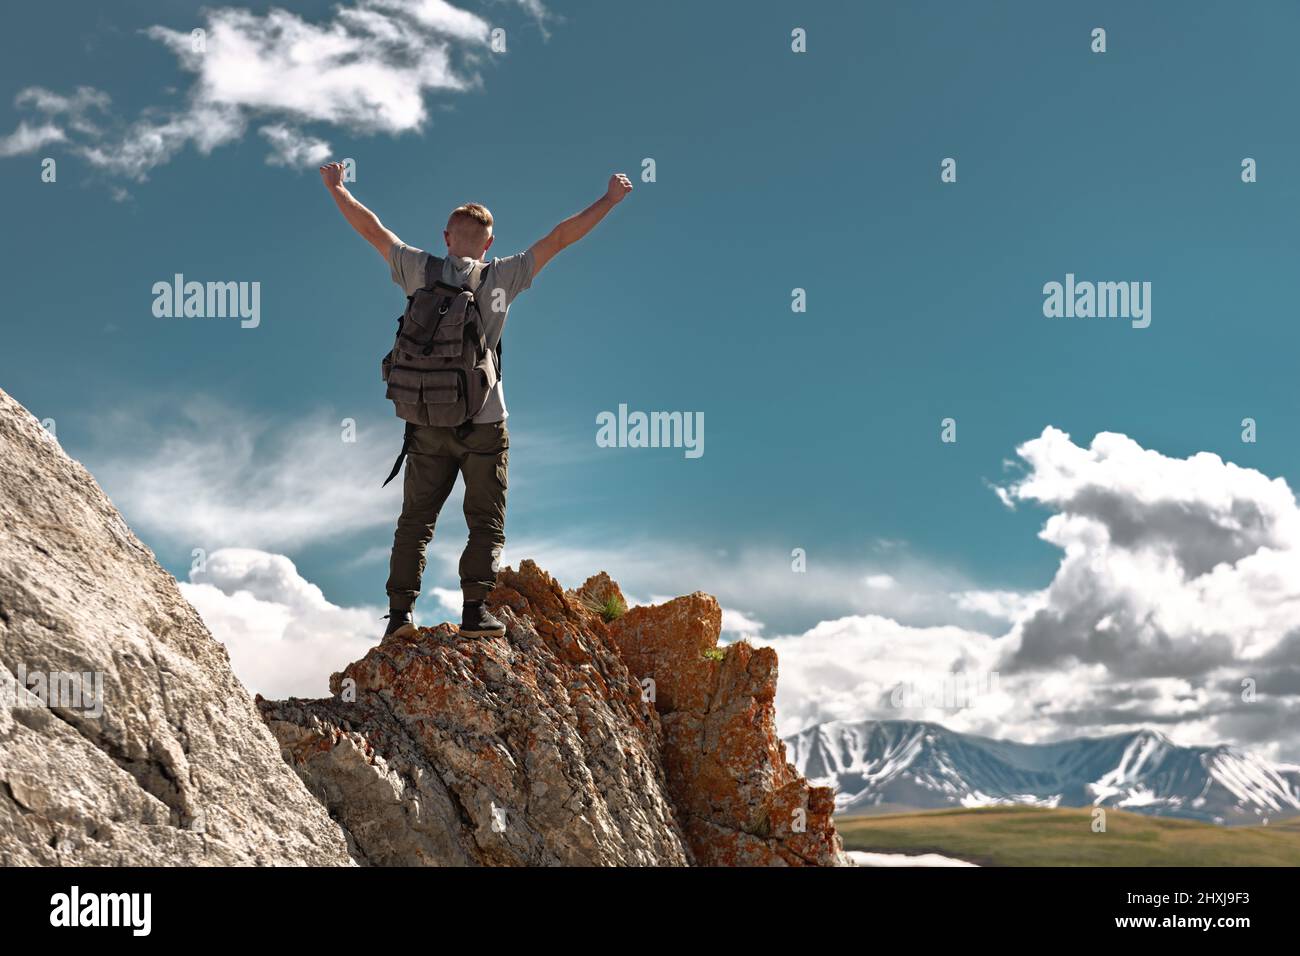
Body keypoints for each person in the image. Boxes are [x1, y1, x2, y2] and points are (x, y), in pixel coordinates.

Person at [319, 161, 633, 637]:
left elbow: (371, 228)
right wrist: (609, 200)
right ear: (488, 244)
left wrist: (337, 188)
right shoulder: (502, 276)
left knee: (415, 522)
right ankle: (473, 614)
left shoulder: (416, 269)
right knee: (484, 522)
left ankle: (399, 618)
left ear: (446, 236)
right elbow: (561, 237)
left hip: (426, 422)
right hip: (485, 423)